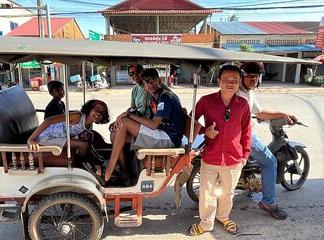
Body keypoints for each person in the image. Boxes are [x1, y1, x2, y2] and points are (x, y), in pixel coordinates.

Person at [188, 65, 251, 236]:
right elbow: (191, 120)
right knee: (206, 192)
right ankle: (206, 222)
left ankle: (223, 217)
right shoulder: (206, 101)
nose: (230, 83)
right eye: (226, 80)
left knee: (227, 193)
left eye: (235, 81)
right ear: (218, 81)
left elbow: (246, 131)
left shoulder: (243, 105)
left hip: (234, 158)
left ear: (239, 83)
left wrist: (245, 155)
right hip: (210, 156)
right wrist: (204, 131)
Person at [103, 68, 185, 186]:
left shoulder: (165, 97)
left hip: (168, 138)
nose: (151, 86)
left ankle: (109, 169)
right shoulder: (155, 98)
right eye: (147, 83)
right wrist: (128, 115)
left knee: (125, 122)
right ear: (144, 85)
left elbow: (153, 124)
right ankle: (125, 173)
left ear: (159, 80)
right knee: (116, 134)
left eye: (153, 82)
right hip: (160, 133)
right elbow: (150, 120)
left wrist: (129, 115)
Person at [237, 62, 294, 220]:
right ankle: (269, 202)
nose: (253, 79)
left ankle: (250, 183)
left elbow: (260, 112)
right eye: (249, 76)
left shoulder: (249, 93)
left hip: (243, 133)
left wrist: (282, 114)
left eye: (256, 76)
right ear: (241, 77)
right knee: (270, 162)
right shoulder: (238, 93)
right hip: (243, 135)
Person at [28, 100, 110, 169]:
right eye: (97, 110)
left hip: (60, 137)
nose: (99, 114)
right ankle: (81, 167)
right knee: (83, 145)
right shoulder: (77, 116)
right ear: (89, 109)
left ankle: (93, 159)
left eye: (102, 113)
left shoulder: (89, 124)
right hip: (47, 138)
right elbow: (48, 121)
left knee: (88, 137)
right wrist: (31, 139)